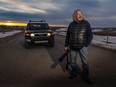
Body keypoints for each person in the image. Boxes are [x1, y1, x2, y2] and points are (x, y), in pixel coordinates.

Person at [64, 9, 93, 84]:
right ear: (75, 15)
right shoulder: (71, 24)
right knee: (73, 62)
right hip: (73, 47)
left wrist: (85, 44)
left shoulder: (86, 23)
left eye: (81, 14)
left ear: (82, 15)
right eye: (78, 14)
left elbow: (90, 35)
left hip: (82, 47)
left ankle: (85, 76)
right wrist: (66, 45)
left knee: (85, 62)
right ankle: (74, 74)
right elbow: (68, 36)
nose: (79, 15)